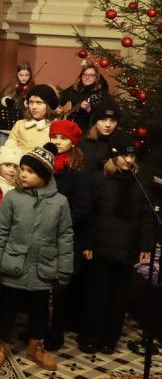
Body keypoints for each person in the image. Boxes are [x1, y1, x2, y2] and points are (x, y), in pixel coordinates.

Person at [0, 143, 73, 370]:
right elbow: (0, 233)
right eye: (22, 168)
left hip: (43, 267)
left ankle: (36, 347)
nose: (22, 174)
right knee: (7, 307)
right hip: (15, 264)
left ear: (44, 175)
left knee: (40, 310)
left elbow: (65, 237)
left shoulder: (60, 202)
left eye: (30, 171)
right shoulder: (12, 199)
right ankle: (0, 343)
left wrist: (64, 270)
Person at [79, 132, 153, 355]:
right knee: (97, 295)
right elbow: (89, 215)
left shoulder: (140, 183)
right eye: (124, 155)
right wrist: (87, 244)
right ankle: (90, 337)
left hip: (127, 249)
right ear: (113, 156)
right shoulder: (99, 180)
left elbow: (146, 216)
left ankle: (109, 340)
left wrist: (145, 246)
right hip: (101, 248)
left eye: (131, 156)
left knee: (118, 299)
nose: (129, 160)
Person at [44, 120, 90, 351]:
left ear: (72, 143)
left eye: (63, 138)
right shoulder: (44, 164)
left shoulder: (78, 171)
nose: (57, 142)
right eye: (54, 137)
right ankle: (39, 328)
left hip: (65, 238)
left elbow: (82, 206)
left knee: (61, 289)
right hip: (42, 235)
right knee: (41, 286)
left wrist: (58, 223)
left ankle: (56, 331)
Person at [58, 63, 110, 134]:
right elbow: (59, 98)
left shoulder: (99, 94)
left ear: (96, 78)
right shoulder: (74, 89)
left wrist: (89, 110)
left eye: (91, 75)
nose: (87, 77)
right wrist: (57, 108)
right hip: (66, 128)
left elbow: (102, 116)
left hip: (85, 131)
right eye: (85, 75)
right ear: (81, 77)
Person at [6, 84, 58, 153]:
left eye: (39, 102)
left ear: (49, 105)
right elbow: (7, 151)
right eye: (31, 102)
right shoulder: (20, 124)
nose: (33, 107)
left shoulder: (56, 128)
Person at [78, 95, 121, 172]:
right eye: (103, 120)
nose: (108, 125)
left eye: (113, 120)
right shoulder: (82, 142)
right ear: (96, 121)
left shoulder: (121, 144)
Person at [0, 61, 34, 134]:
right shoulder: (9, 87)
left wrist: (29, 105)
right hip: (7, 126)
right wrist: (4, 101)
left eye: (27, 75)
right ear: (17, 75)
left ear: (30, 75)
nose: (24, 78)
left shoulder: (33, 89)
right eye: (21, 75)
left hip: (24, 127)